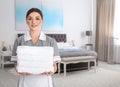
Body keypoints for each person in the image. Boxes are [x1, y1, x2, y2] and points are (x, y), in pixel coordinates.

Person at [11, 8, 61, 87]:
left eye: (37, 18)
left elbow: (54, 66)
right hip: (25, 82)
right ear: (26, 21)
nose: (33, 22)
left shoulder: (51, 41)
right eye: (30, 19)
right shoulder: (19, 41)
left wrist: (52, 71)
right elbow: (16, 64)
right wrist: (18, 70)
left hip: (45, 82)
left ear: (42, 20)